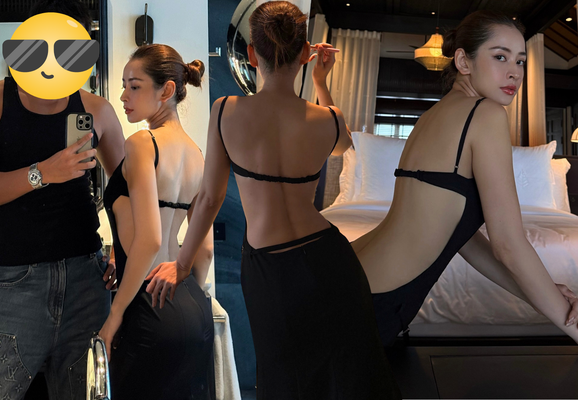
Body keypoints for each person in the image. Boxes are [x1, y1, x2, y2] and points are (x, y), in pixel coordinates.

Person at [146, 2, 401, 399]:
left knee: (285, 379)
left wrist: (181, 265)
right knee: (349, 377)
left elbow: (210, 198)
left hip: (270, 267)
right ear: (305, 53)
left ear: (251, 54)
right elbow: (343, 145)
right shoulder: (328, 119)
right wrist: (321, 81)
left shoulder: (225, 110)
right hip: (329, 258)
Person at [347, 10, 578, 347]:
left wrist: (545, 292)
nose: (514, 72)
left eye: (520, 61)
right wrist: (572, 323)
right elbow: (509, 244)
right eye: (500, 57)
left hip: (349, 276)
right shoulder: (486, 114)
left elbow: (464, 240)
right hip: (365, 302)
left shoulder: (432, 116)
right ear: (463, 61)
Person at [0, 1, 124, 399]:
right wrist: (43, 173)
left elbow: (125, 191)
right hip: (17, 282)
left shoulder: (96, 109)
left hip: (87, 279)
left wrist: (124, 251)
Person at [99, 43, 214, 400]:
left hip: (148, 308)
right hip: (194, 309)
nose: (123, 96)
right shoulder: (196, 153)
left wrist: (115, 315)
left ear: (166, 90)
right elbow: (205, 250)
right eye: (124, 85)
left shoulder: (142, 143)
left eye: (134, 86)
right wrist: (184, 302)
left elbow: (149, 240)